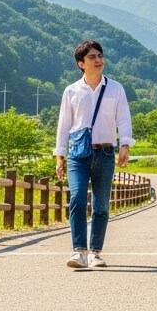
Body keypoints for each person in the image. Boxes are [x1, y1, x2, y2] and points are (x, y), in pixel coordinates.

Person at [54, 39, 133, 270]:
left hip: (106, 152)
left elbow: (124, 118)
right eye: (92, 57)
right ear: (81, 63)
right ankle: (79, 252)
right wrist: (60, 155)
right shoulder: (71, 91)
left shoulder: (116, 88)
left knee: (101, 205)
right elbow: (63, 124)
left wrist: (125, 144)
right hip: (78, 154)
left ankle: (95, 253)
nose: (98, 60)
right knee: (77, 198)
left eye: (100, 56)